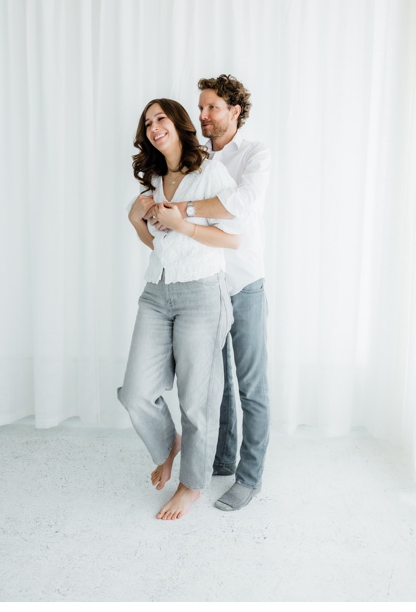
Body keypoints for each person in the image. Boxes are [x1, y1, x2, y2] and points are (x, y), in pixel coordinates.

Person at [152, 75, 271, 510]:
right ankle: (221, 459)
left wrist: (182, 209)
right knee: (212, 387)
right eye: (200, 108)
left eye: (212, 108)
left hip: (243, 284)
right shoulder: (196, 158)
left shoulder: (255, 154)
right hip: (204, 286)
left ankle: (249, 477)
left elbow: (239, 204)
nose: (203, 116)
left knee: (250, 387)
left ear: (235, 110)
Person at [121, 97, 240, 520]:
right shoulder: (153, 179)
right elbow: (159, 243)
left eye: (161, 118)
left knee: (197, 400)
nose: (154, 126)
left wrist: (183, 223)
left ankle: (191, 485)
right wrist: (137, 219)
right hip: (157, 291)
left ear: (178, 122)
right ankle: (168, 443)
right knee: (135, 392)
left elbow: (234, 238)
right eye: (148, 122)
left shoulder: (210, 172)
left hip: (201, 293)